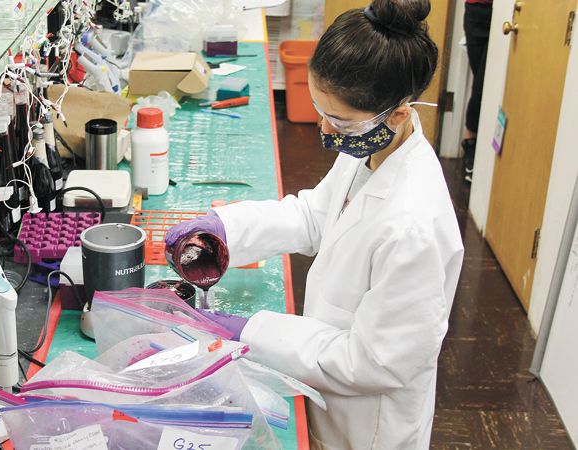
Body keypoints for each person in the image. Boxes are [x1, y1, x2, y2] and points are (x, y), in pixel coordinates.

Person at [165, 1, 464, 448]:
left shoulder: (411, 227)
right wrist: (228, 227)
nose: (325, 128)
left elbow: (372, 363)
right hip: (326, 386)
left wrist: (251, 331)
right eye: (319, 108)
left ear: (399, 113)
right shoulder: (370, 145)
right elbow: (316, 214)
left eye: (338, 119)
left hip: (365, 426)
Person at [462, 0, 493, 182]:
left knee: (483, 85)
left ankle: (472, 142)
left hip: (503, 14)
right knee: (480, 85)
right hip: (475, 11)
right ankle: (471, 142)